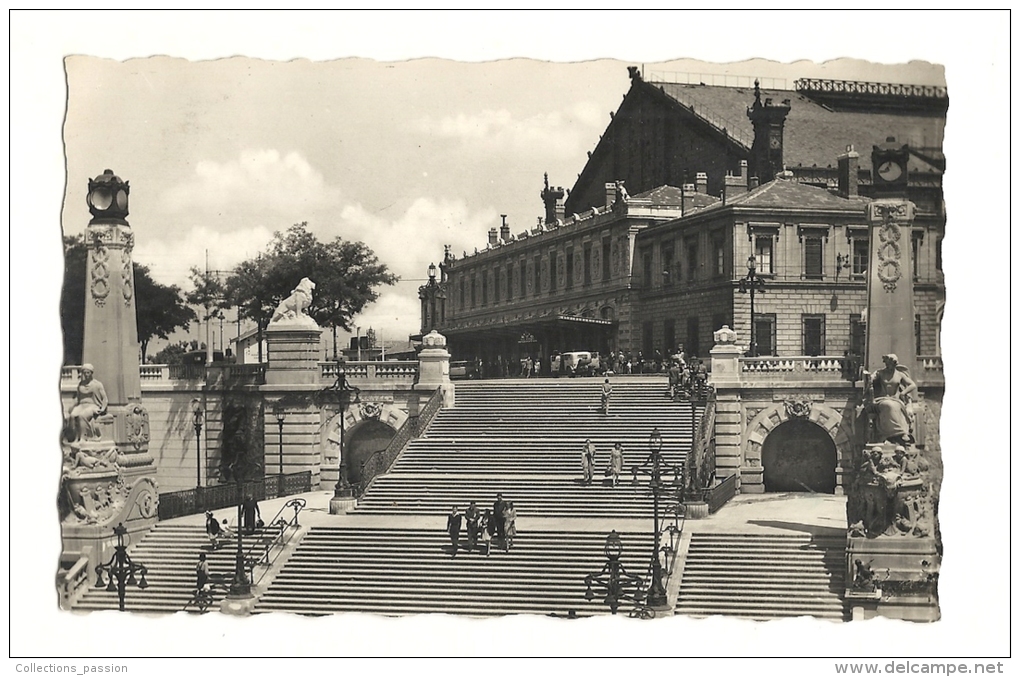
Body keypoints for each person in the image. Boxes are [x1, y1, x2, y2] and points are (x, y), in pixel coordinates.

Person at [869, 354, 918, 445]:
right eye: (888, 365)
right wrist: (871, 378)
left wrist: (903, 393)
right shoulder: (880, 373)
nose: (890, 367)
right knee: (888, 405)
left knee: (894, 406)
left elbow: (912, 385)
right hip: (882, 399)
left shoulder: (900, 374)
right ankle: (899, 433)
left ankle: (898, 434)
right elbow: (871, 378)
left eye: (892, 365)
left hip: (896, 400)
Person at [67, 364, 108, 443]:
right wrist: (72, 406)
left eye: (88, 372)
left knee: (82, 415)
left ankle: (83, 437)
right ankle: (75, 436)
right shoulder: (80, 384)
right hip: (82, 405)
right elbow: (77, 398)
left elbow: (104, 398)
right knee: (72, 416)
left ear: (91, 373)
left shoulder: (97, 384)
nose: (86, 374)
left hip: (93, 405)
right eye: (84, 372)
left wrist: (102, 409)